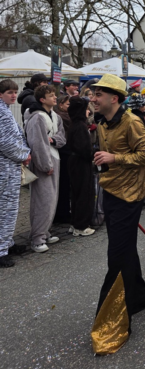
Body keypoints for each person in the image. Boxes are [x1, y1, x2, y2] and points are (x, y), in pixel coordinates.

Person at [90, 74, 145, 355]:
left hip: (129, 197)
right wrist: (102, 161)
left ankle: (111, 323)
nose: (93, 99)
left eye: (98, 95)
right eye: (93, 94)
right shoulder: (103, 122)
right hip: (111, 192)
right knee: (125, 250)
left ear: (113, 98)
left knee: (116, 256)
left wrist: (114, 158)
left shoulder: (132, 122)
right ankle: (137, 299)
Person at [24, 85, 66, 252]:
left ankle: (44, 231)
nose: (55, 98)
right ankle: (37, 238)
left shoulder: (55, 116)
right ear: (42, 99)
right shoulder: (37, 117)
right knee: (43, 199)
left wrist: (53, 140)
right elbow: (37, 144)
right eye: (51, 96)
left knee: (52, 199)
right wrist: (45, 165)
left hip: (55, 157)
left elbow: (62, 137)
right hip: (44, 161)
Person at [0, 79, 31, 268]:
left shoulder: (5, 110)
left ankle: (7, 242)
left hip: (8, 167)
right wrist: (24, 155)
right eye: (9, 92)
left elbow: (16, 135)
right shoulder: (2, 113)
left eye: (14, 92)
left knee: (8, 208)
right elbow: (7, 143)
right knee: (6, 209)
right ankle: (1, 250)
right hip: (5, 169)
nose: (13, 95)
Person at [67, 96, 95, 237]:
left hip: (74, 162)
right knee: (84, 192)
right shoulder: (80, 126)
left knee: (76, 193)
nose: (88, 112)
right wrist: (93, 154)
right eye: (86, 110)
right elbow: (84, 149)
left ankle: (75, 222)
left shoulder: (75, 124)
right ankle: (81, 225)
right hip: (81, 163)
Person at [53, 94, 72, 223]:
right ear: (61, 105)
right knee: (63, 185)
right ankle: (62, 213)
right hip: (63, 153)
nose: (70, 107)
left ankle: (62, 211)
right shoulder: (63, 118)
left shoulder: (62, 116)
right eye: (68, 104)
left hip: (64, 152)